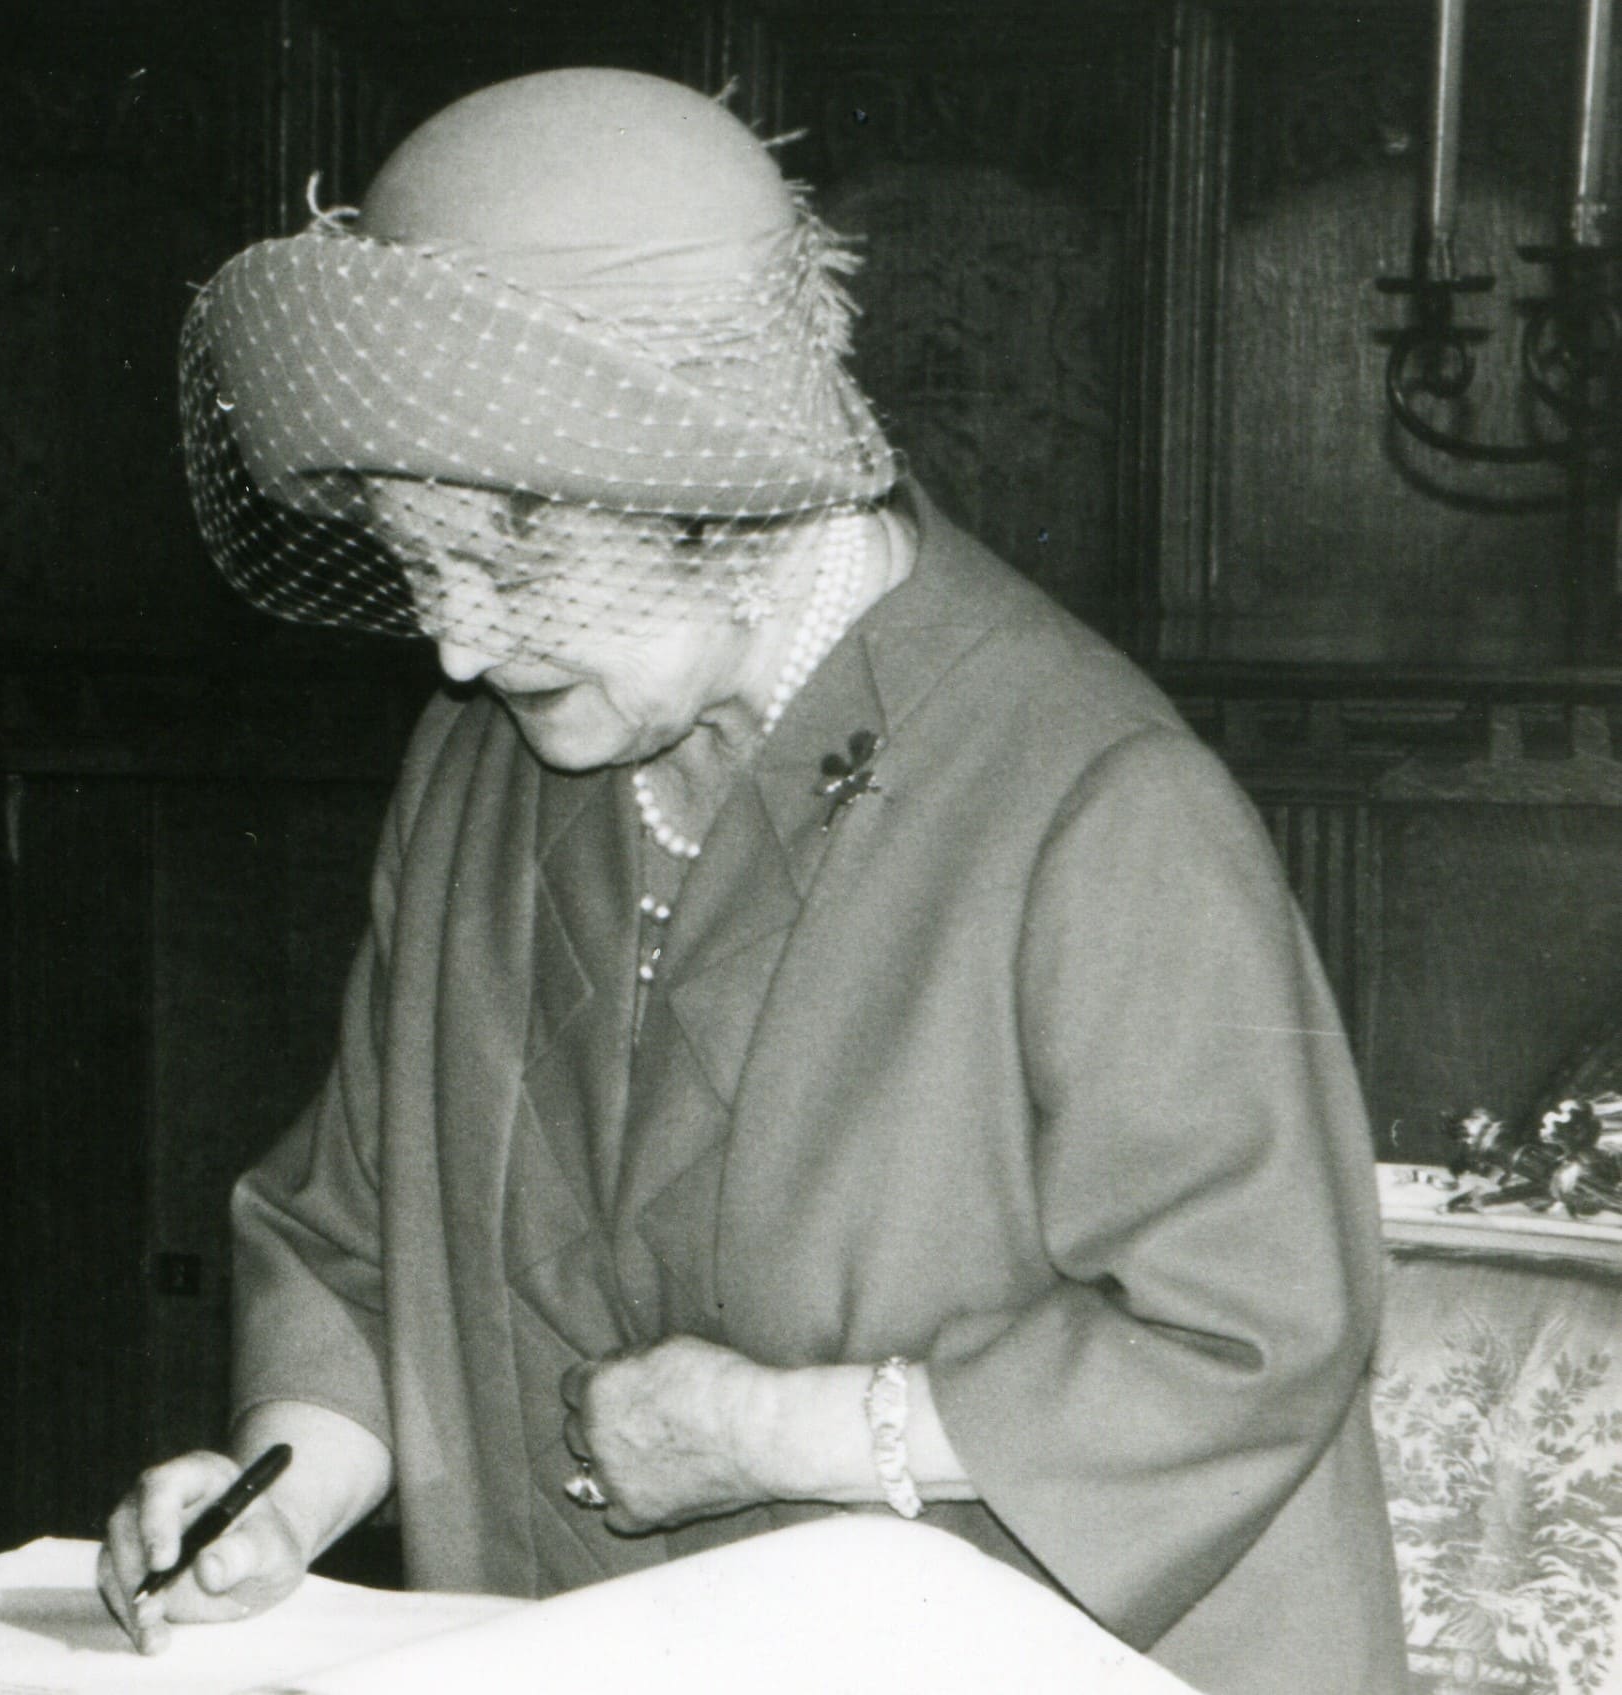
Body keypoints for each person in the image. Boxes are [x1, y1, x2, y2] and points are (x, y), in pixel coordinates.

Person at [95, 68, 1399, 1695]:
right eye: (417, 566)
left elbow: (1245, 1339)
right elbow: (358, 1236)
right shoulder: (483, 761)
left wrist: (775, 1432)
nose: (453, 638)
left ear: (706, 498)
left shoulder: (1094, 805)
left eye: (504, 565)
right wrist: (276, 1499)